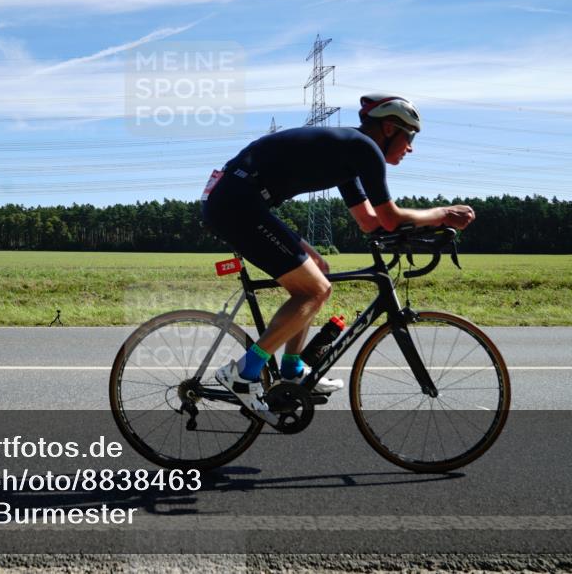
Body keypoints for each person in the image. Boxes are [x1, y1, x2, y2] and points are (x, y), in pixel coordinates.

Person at [200, 93, 476, 425]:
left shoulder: (350, 154)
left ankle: (291, 370)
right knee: (315, 289)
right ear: (389, 128)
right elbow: (389, 218)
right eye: (411, 137)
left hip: (239, 200)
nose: (411, 148)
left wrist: (422, 232)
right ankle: (245, 372)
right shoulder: (364, 148)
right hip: (236, 205)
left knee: (320, 270)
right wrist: (443, 213)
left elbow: (369, 222)